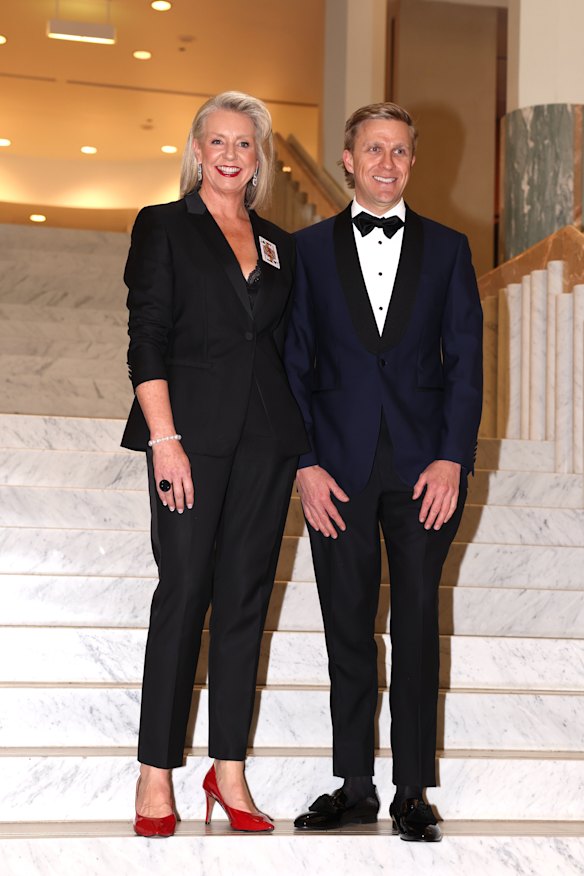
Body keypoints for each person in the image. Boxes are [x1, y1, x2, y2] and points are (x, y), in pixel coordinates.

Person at [284, 102, 483, 841]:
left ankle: (410, 790)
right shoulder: (302, 252)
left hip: (424, 468)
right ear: (347, 158)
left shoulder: (450, 248)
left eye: (400, 151)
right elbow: (292, 366)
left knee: (419, 625)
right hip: (335, 470)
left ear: (411, 162)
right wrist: (303, 463)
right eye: (374, 149)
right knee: (346, 625)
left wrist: (452, 458)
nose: (387, 163)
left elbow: (466, 365)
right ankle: (356, 783)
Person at [121, 91, 307, 837]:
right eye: (218, 141)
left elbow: (288, 350)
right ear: (197, 150)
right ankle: (155, 772)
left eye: (246, 143)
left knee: (244, 603)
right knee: (185, 592)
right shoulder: (164, 226)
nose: (232, 154)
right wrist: (164, 441)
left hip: (267, 441)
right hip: (189, 438)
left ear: (259, 157)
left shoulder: (278, 245)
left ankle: (227, 768)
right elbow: (147, 338)